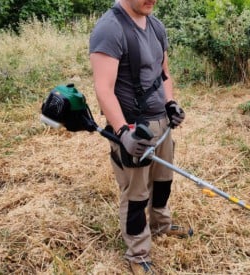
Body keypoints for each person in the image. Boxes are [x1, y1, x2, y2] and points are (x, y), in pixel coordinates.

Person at [89, 0, 191, 274]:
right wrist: (123, 132)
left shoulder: (156, 25)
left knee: (163, 182)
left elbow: (164, 73)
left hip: (161, 124)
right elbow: (103, 89)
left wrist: (170, 104)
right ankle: (138, 254)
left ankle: (161, 225)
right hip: (134, 127)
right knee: (136, 195)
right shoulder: (110, 29)